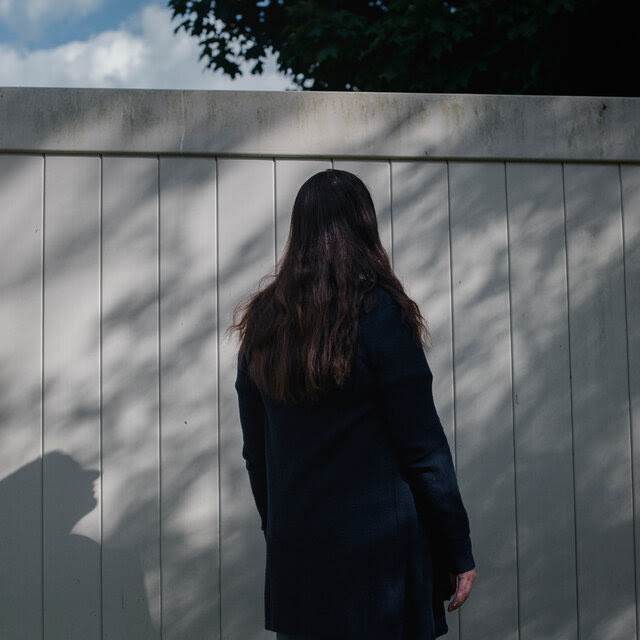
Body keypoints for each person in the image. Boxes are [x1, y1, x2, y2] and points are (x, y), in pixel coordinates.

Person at [232, 169, 476, 640]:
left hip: (301, 567)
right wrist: (456, 550)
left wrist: (281, 530)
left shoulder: (262, 325)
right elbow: (423, 448)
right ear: (364, 227)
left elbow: (255, 454)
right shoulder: (380, 313)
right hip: (380, 568)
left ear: (298, 230)